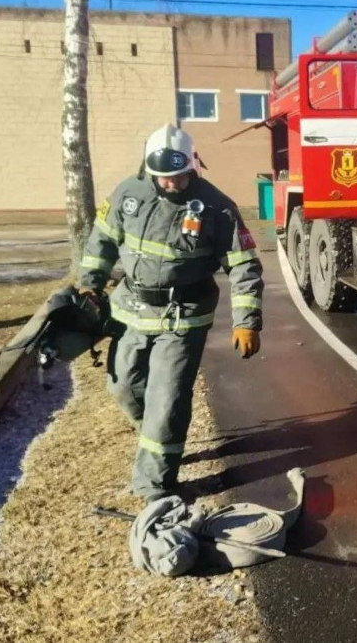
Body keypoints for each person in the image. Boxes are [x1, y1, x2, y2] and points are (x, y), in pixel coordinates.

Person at [79, 124, 263, 502]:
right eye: (162, 177)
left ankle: (156, 487)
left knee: (167, 400)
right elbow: (102, 242)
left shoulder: (217, 207)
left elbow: (243, 265)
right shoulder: (128, 194)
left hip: (183, 318)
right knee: (123, 385)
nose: (170, 184)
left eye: (178, 176)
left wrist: (247, 322)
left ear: (193, 165)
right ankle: (157, 437)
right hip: (132, 309)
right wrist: (89, 285)